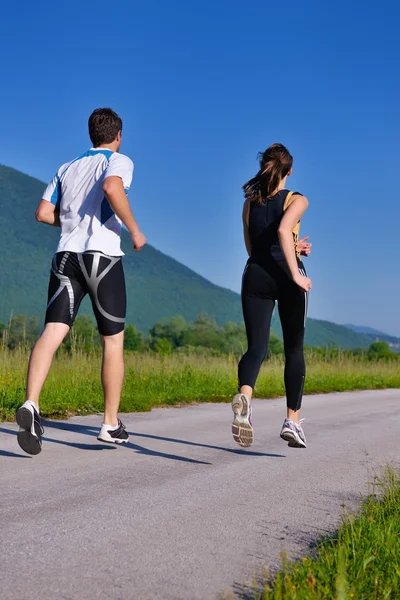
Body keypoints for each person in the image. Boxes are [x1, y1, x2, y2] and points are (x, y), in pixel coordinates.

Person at [16, 108, 146, 455]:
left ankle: (31, 404)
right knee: (113, 342)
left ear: (91, 134)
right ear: (118, 135)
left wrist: (73, 221)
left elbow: (43, 212)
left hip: (66, 257)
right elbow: (111, 186)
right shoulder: (118, 161)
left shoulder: (67, 167)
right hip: (102, 257)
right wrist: (133, 229)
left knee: (52, 332)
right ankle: (109, 423)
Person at [231, 143, 312, 449]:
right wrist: (294, 273)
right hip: (286, 276)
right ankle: (292, 421)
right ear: (288, 171)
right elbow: (282, 230)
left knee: (257, 348)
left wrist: (293, 247)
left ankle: (245, 400)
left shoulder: (250, 203)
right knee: (294, 349)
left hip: (255, 273)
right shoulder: (297, 199)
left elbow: (253, 246)